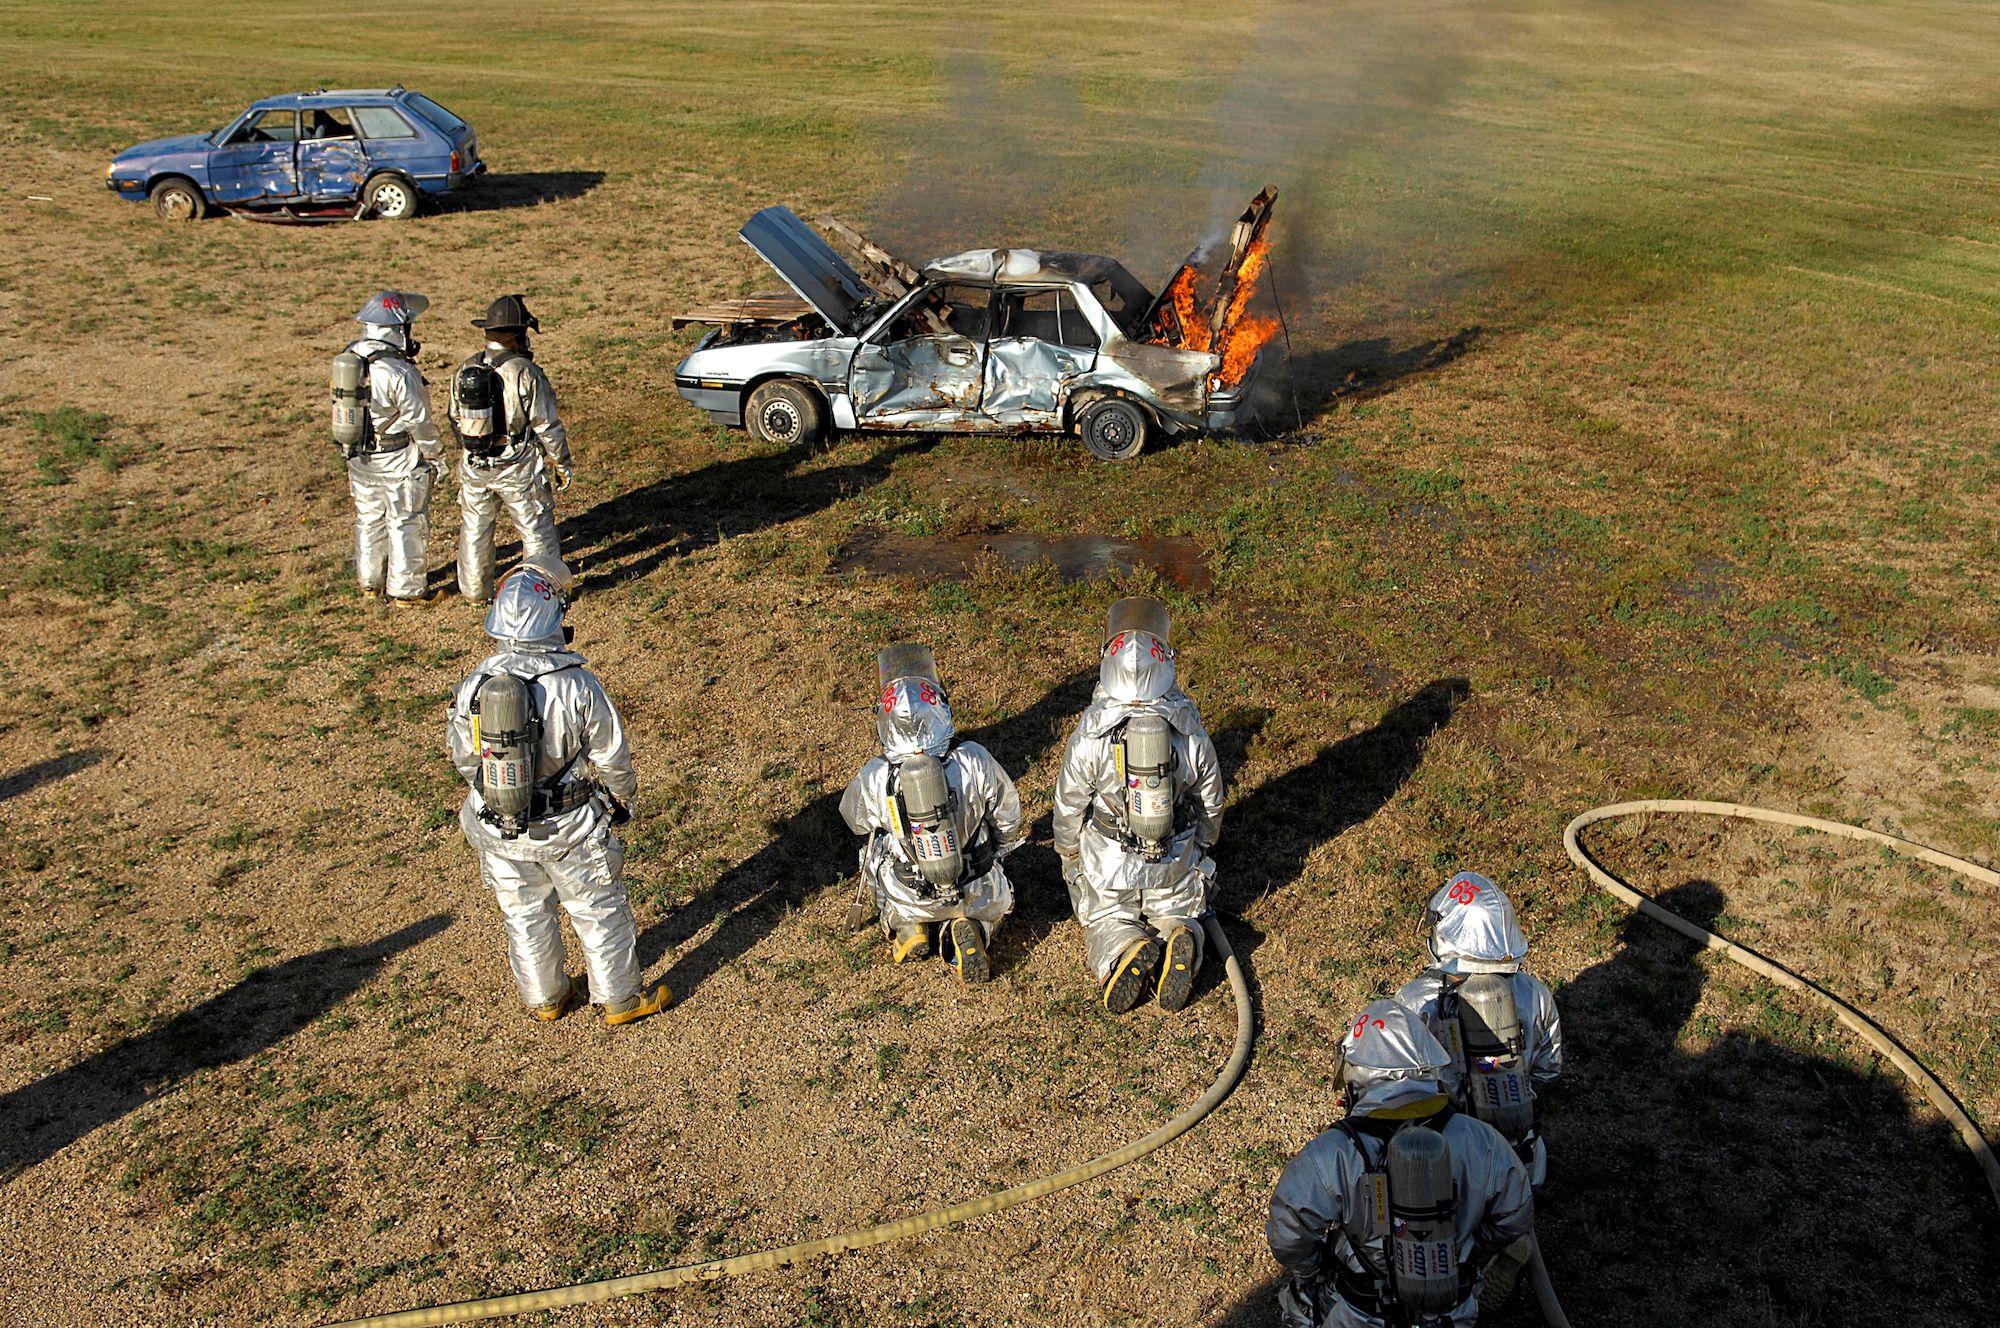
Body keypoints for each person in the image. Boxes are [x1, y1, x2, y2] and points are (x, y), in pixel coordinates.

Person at [445, 558, 669, 1026]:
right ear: (553, 619)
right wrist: (623, 796)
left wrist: (498, 794)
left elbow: (464, 757)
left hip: (498, 825)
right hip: (569, 826)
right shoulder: (576, 684)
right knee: (597, 908)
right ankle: (621, 999)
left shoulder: (475, 684)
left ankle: (546, 997)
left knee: (523, 911)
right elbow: (611, 754)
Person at [1266, 1000, 1535, 1328]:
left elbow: (1287, 1232)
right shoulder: (1480, 1138)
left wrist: (1314, 1269)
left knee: (1299, 1304)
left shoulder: (1334, 1152)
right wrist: (1469, 1251)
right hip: (1453, 1312)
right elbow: (1516, 1214)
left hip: (1361, 1314)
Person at [1393, 871, 1563, 1308]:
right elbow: (1547, 1071)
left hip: (1447, 1160)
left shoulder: (1419, 999)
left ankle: (1454, 1281)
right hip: (1520, 1157)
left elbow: (1397, 1086)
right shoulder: (1535, 994)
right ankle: (1509, 1245)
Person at [1051, 597, 1224, 1014]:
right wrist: (1204, 841)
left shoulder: (1092, 733)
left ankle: (1126, 949)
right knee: (1182, 909)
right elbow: (1211, 797)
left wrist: (1068, 849)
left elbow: (1069, 800)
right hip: (1174, 856)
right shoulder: (1187, 728)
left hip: (1109, 862)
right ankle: (1181, 933)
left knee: (1105, 919)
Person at [838, 644, 1024, 981]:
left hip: (910, 891)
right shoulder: (974, 759)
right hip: (976, 883)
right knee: (998, 904)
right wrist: (998, 845)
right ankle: (974, 929)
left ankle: (908, 927)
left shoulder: (875, 775)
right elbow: (1008, 815)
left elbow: (855, 821)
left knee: (871, 847)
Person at [449, 295, 574, 605]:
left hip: (475, 464)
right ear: (519, 334)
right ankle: (544, 593)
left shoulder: (466, 367)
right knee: (535, 529)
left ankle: (476, 591)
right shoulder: (525, 372)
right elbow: (547, 424)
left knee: (476, 529)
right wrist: (561, 462)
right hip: (517, 465)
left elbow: (454, 417)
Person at [343, 291, 444, 604]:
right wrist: (435, 453)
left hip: (359, 455)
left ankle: (370, 582)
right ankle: (407, 591)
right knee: (406, 521)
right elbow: (420, 420)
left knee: (369, 518)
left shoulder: (349, 358)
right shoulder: (399, 371)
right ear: (398, 328)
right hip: (398, 457)